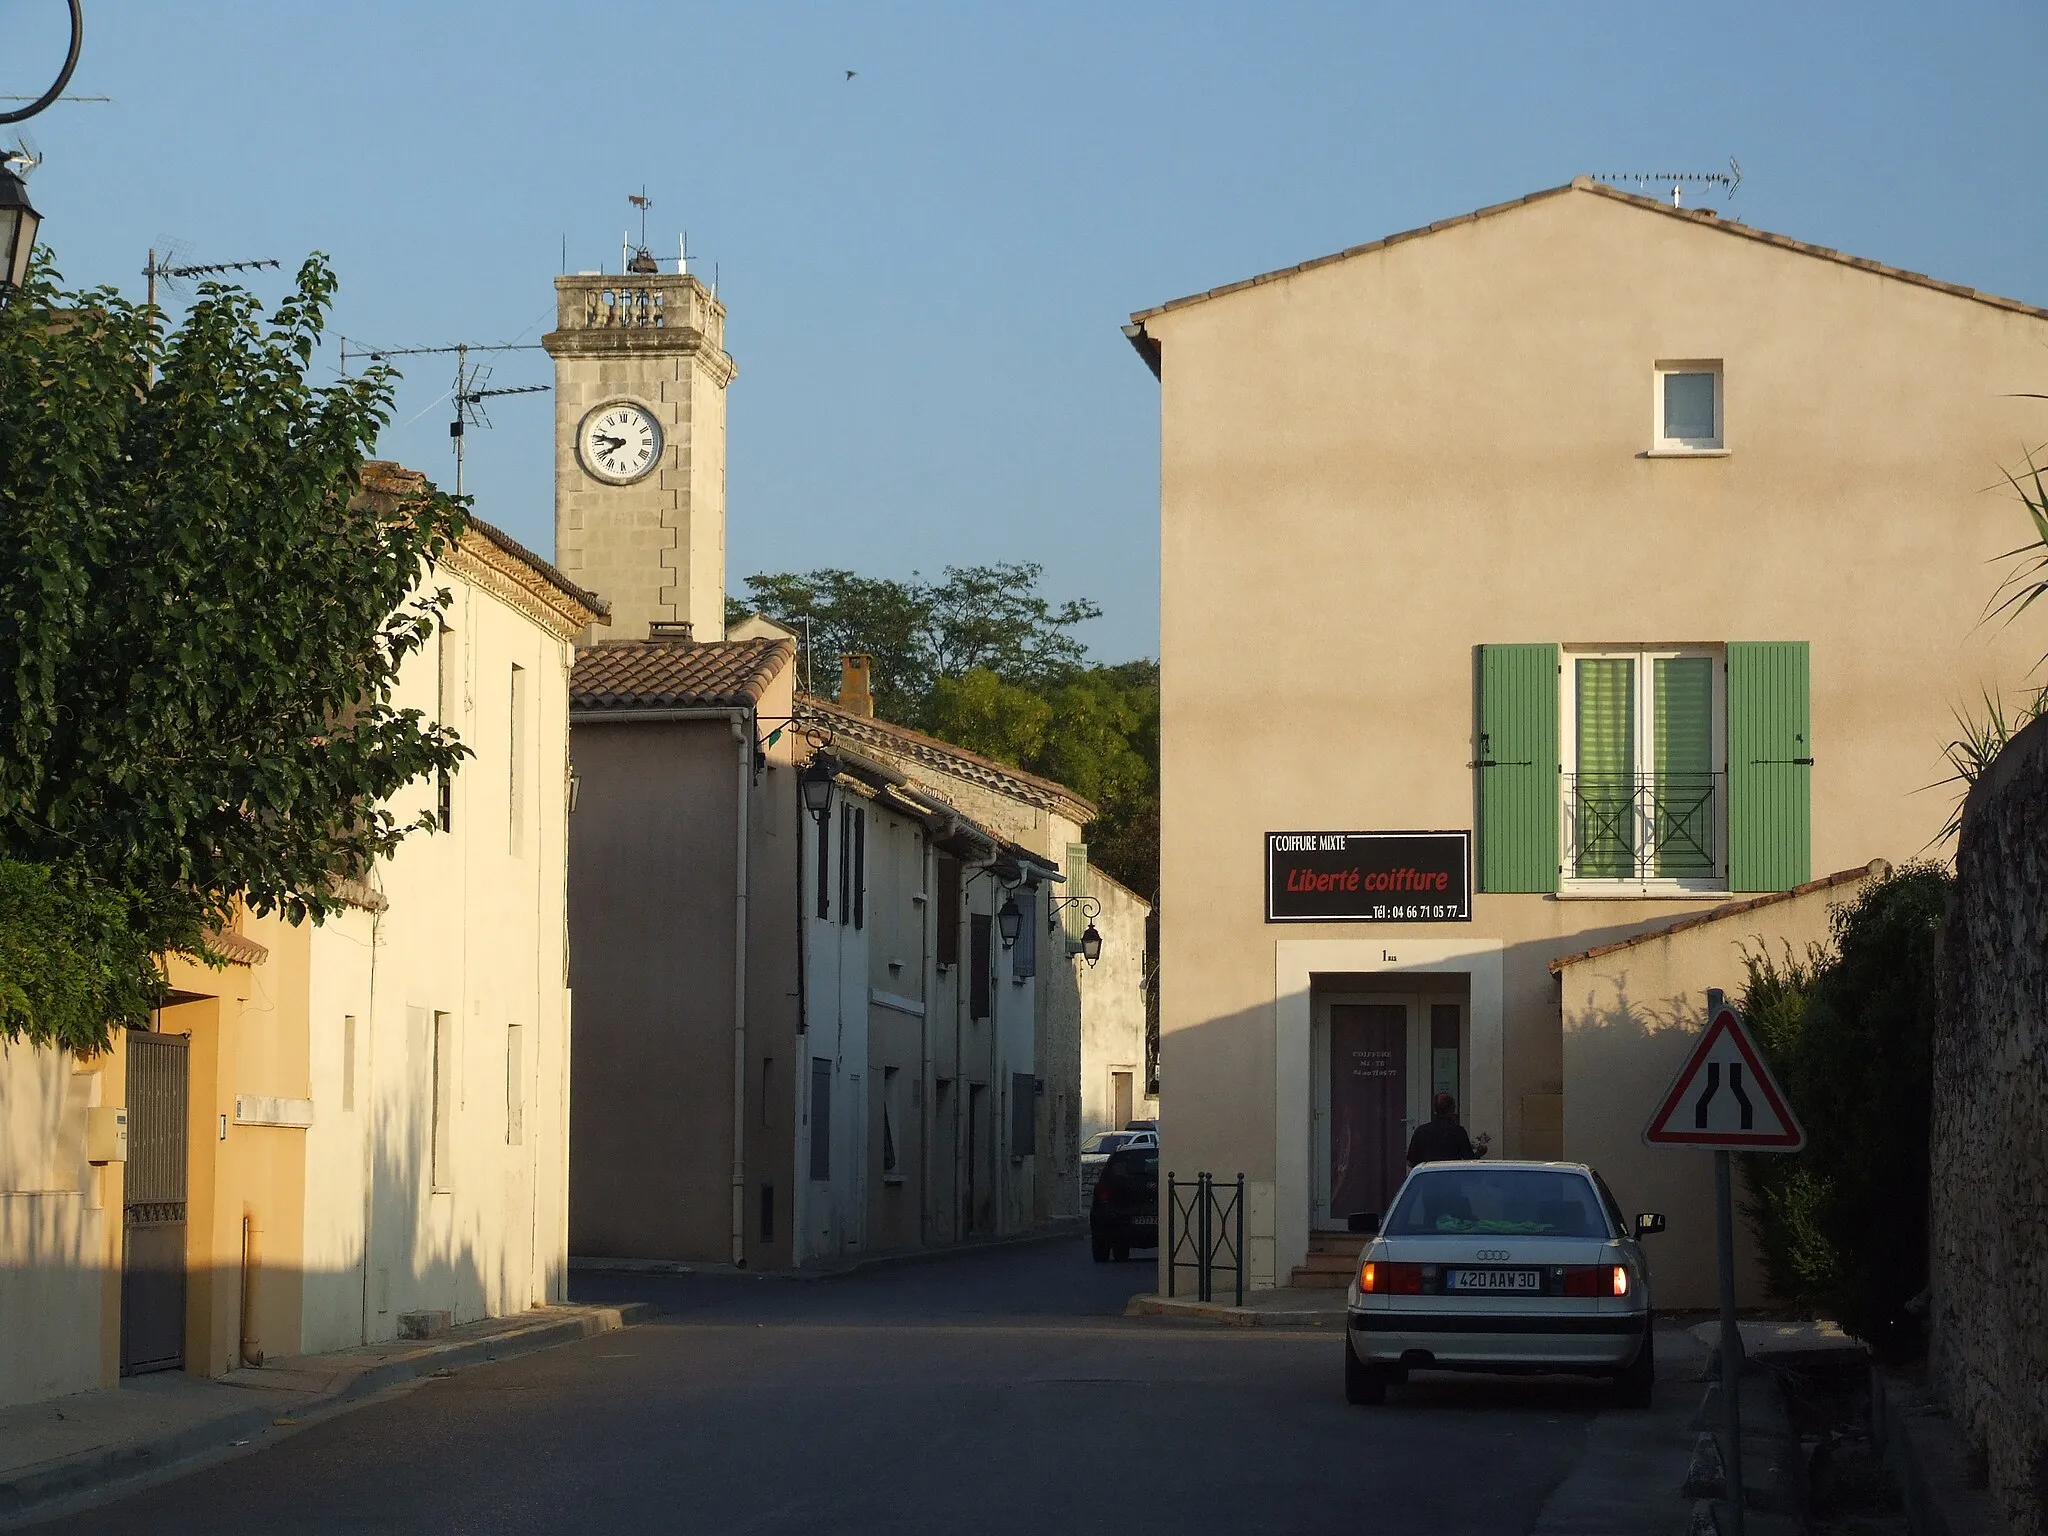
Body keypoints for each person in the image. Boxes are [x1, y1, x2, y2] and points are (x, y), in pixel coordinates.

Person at [1406, 1092, 1483, 1167]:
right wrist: (1479, 1153)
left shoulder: (1420, 1131)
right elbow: (1469, 1161)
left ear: (1434, 1109)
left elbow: (1411, 1162)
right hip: (1451, 1176)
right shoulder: (1458, 1131)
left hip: (1428, 1177)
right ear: (1452, 1108)